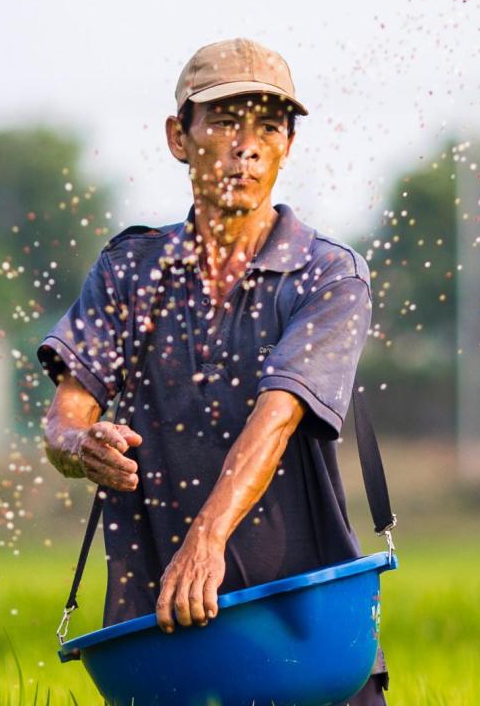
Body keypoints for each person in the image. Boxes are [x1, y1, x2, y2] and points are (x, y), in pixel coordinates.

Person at [36, 37, 386, 703]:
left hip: (306, 626)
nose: (246, 146)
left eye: (268, 126)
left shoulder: (326, 274)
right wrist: (83, 446)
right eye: (224, 122)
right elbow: (65, 415)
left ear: (288, 146)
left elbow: (277, 416)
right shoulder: (128, 273)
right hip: (163, 634)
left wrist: (207, 538)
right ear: (179, 136)